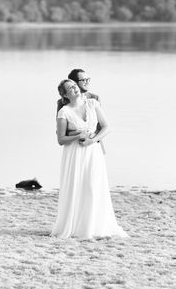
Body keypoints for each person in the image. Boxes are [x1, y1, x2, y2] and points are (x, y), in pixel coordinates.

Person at [51, 79, 127, 239]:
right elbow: (61, 139)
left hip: (93, 151)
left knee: (93, 186)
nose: (75, 89)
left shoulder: (92, 103)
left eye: (74, 86)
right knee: (77, 188)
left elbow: (107, 127)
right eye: (70, 88)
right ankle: (76, 227)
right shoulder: (64, 112)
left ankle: (94, 226)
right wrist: (79, 135)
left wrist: (93, 140)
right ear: (65, 95)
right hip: (74, 154)